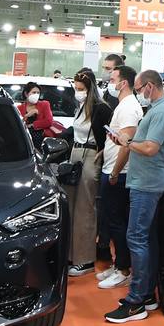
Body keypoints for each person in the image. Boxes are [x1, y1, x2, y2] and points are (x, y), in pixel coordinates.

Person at [105, 69, 164, 324]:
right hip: (145, 182)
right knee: (144, 238)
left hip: (147, 185)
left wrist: (127, 143)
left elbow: (149, 147)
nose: (138, 94)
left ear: (149, 86)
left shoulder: (162, 112)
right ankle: (145, 295)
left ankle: (136, 301)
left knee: (136, 238)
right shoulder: (159, 110)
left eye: (138, 89)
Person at [97, 65, 141, 290]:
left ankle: (124, 269)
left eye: (113, 78)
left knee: (118, 222)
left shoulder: (130, 108)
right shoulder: (123, 105)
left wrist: (115, 172)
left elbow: (127, 145)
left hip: (120, 173)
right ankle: (118, 265)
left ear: (123, 83)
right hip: (111, 168)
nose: (110, 82)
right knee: (113, 221)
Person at [65, 70, 113, 277]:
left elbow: (110, 135)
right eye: (75, 89)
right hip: (75, 155)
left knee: (85, 208)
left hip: (91, 156)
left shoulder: (101, 108)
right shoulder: (80, 107)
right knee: (71, 207)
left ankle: (85, 259)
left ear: (90, 88)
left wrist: (102, 153)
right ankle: (71, 254)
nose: (78, 92)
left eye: (81, 89)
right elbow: (72, 131)